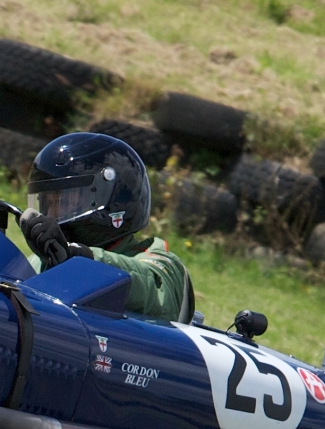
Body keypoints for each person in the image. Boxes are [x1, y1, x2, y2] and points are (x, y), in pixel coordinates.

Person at [17, 132, 193, 322]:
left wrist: (79, 259)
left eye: (65, 203)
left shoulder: (161, 263)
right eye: (47, 203)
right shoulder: (40, 261)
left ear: (114, 201)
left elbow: (155, 290)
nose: (50, 215)